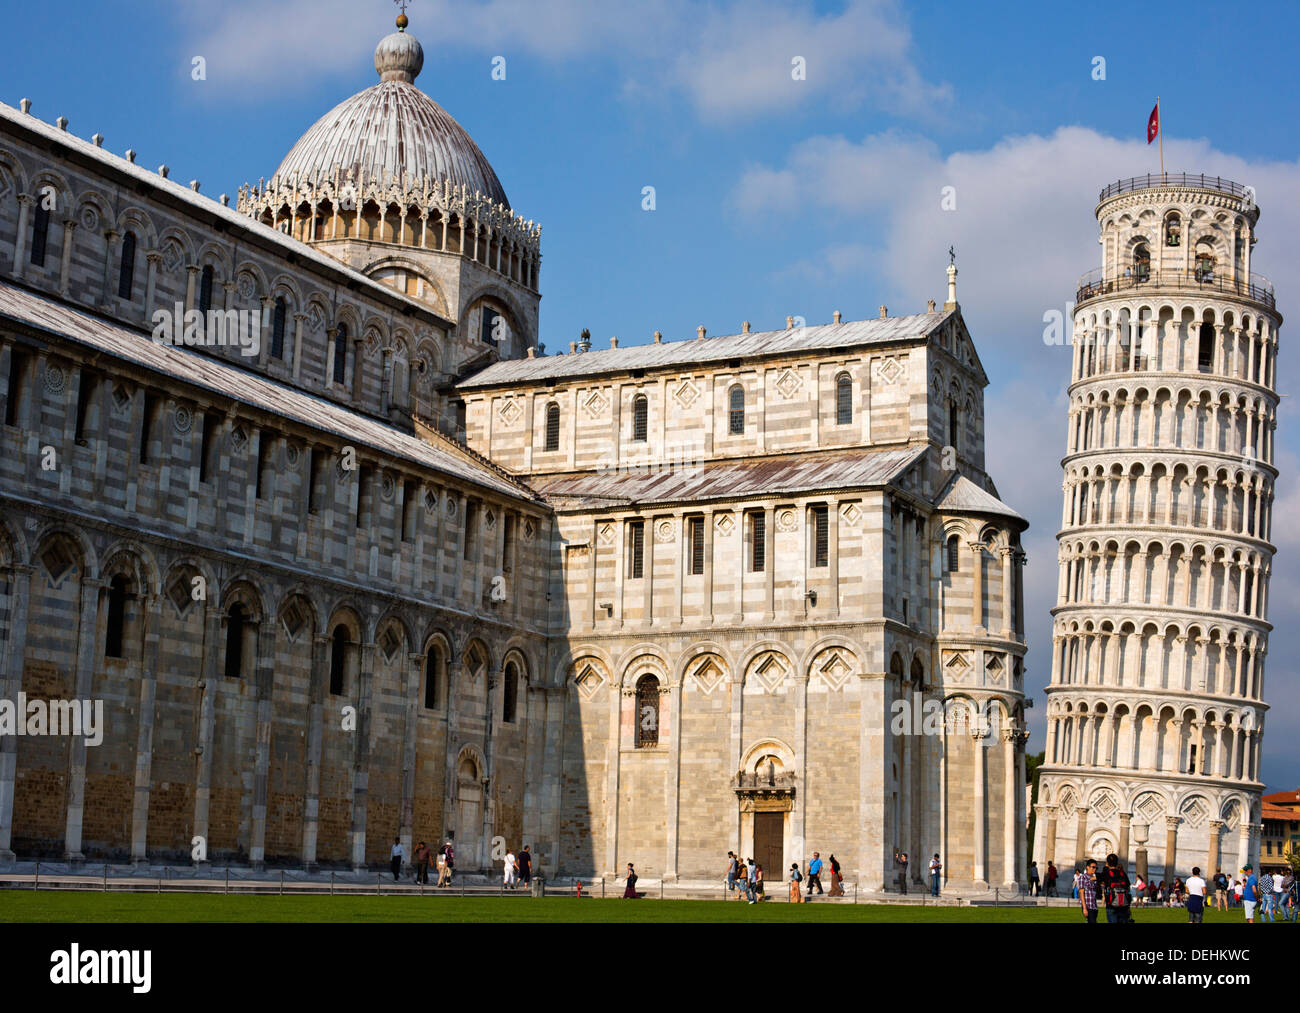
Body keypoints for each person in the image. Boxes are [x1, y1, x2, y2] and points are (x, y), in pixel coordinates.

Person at [1097, 853, 1132, 924]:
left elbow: (1094, 878)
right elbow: (1128, 888)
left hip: (1111, 905)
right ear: (1117, 863)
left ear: (1107, 863)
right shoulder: (1123, 874)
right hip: (1123, 905)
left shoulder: (1106, 873)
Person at [1079, 859, 1099, 924]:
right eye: (1093, 867)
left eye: (1096, 868)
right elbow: (1081, 893)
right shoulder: (1083, 877)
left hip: (1094, 906)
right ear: (1087, 867)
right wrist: (1084, 908)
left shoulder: (1095, 878)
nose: (1095, 869)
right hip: (1087, 906)